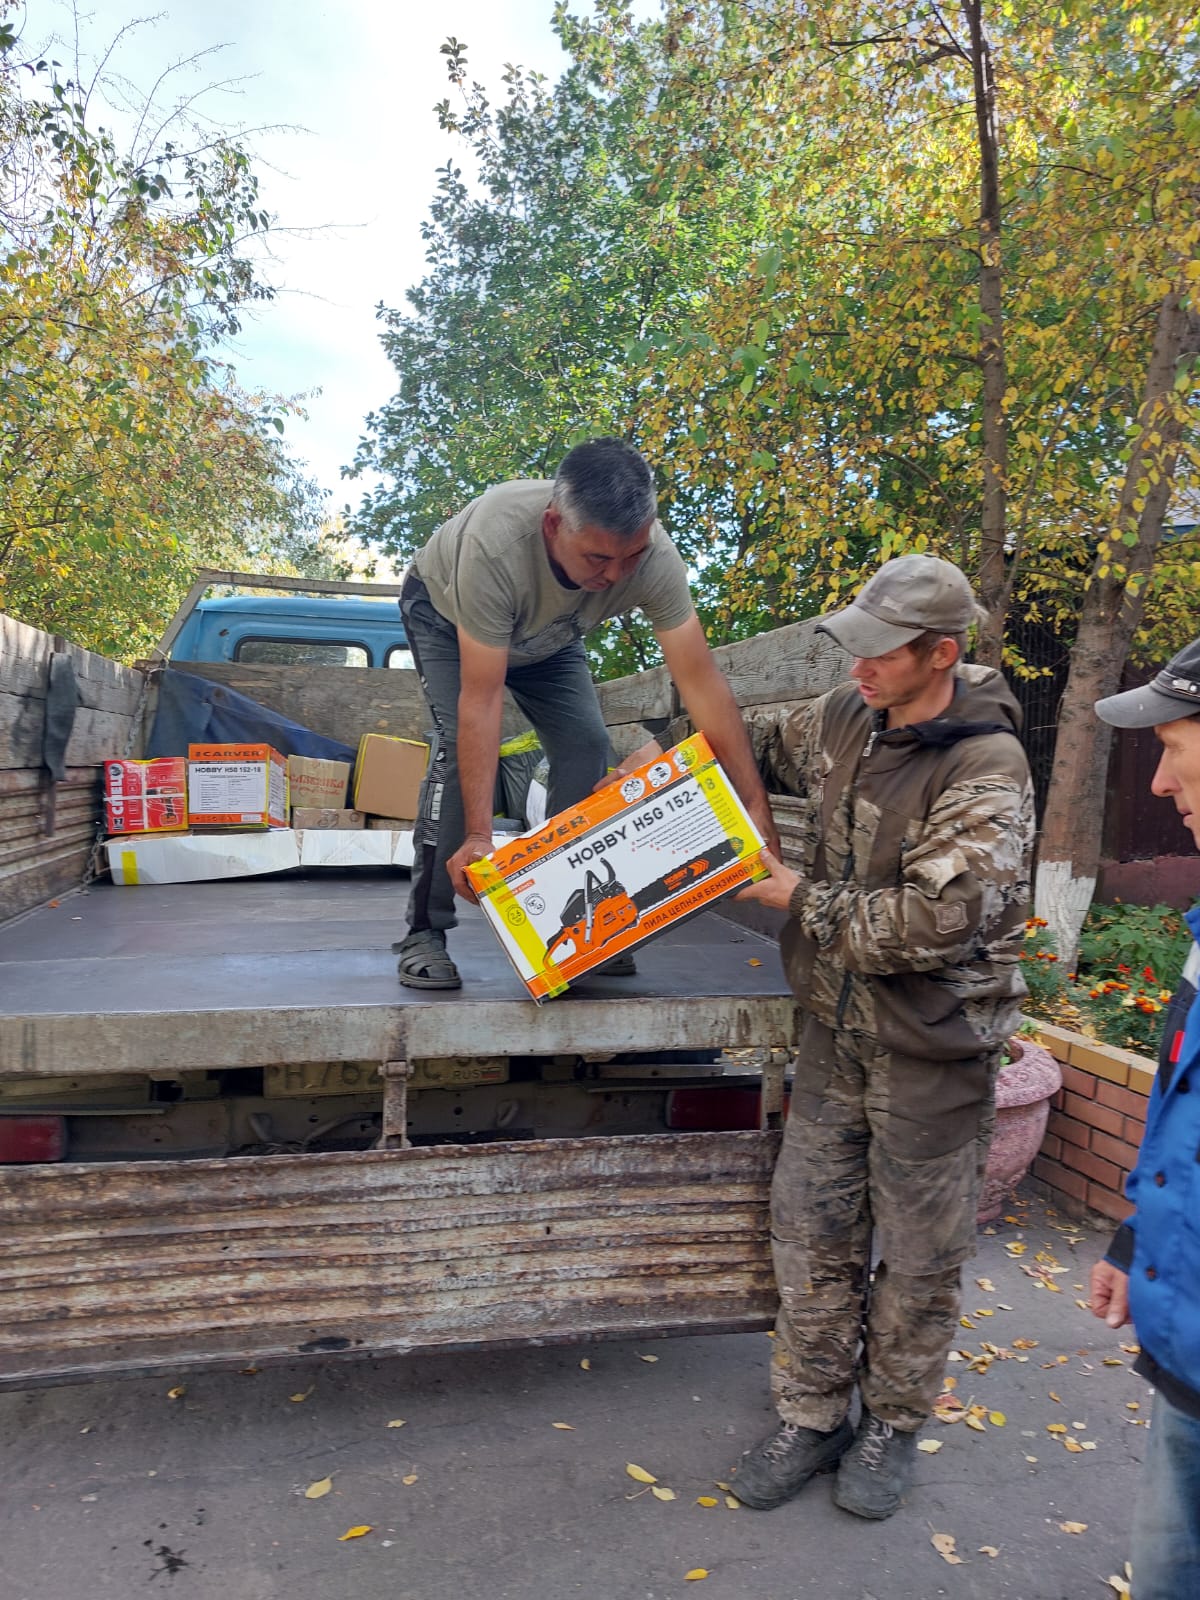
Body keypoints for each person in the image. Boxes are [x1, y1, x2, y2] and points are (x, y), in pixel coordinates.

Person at [728, 553, 1035, 1519]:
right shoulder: (847, 715)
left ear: (940, 654)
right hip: (834, 1035)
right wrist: (665, 760)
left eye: (881, 653)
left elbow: (939, 925)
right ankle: (812, 1416)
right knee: (812, 1231)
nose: (858, 666)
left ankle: (892, 1424)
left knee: (918, 1253)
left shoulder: (987, 764)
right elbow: (749, 742)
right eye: (852, 647)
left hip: (932, 1049)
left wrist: (800, 900)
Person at [394, 437, 780, 989]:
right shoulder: (495, 544)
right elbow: (482, 702)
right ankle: (424, 931)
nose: (618, 575)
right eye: (599, 558)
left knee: (585, 744)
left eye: (632, 557)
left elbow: (701, 683)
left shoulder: (656, 559)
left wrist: (756, 807)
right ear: (555, 526)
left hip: (550, 636)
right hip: (448, 616)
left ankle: (577, 924)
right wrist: (480, 836)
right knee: (458, 746)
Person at [1089, 637, 1200, 1600]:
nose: (1161, 782)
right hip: (1184, 1361)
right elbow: (1185, 1117)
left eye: (1174, 745)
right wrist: (1138, 1244)